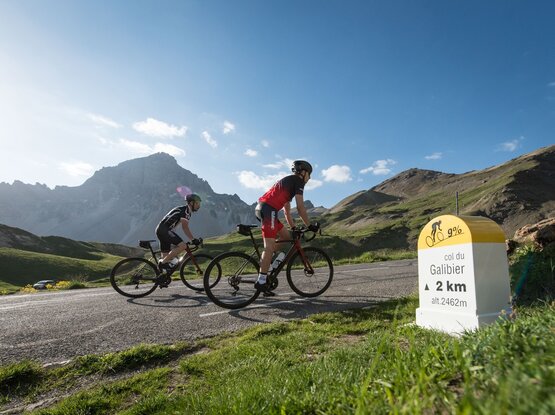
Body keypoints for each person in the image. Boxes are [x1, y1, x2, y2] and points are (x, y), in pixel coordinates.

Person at [254, 160, 319, 293]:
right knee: (269, 246)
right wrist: (310, 225)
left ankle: (267, 264)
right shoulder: (298, 181)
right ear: (303, 172)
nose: (310, 178)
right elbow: (300, 208)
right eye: (309, 174)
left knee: (286, 236)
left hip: (265, 208)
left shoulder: (289, 182)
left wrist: (293, 227)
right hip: (268, 210)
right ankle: (261, 281)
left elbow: (286, 210)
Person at [155, 193, 203, 282]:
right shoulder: (185, 211)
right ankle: (162, 264)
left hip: (162, 230)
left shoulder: (184, 210)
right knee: (183, 246)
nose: (198, 206)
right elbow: (185, 227)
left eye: (199, 204)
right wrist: (193, 239)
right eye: (197, 203)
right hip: (164, 230)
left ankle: (161, 279)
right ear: (191, 203)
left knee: (166, 257)